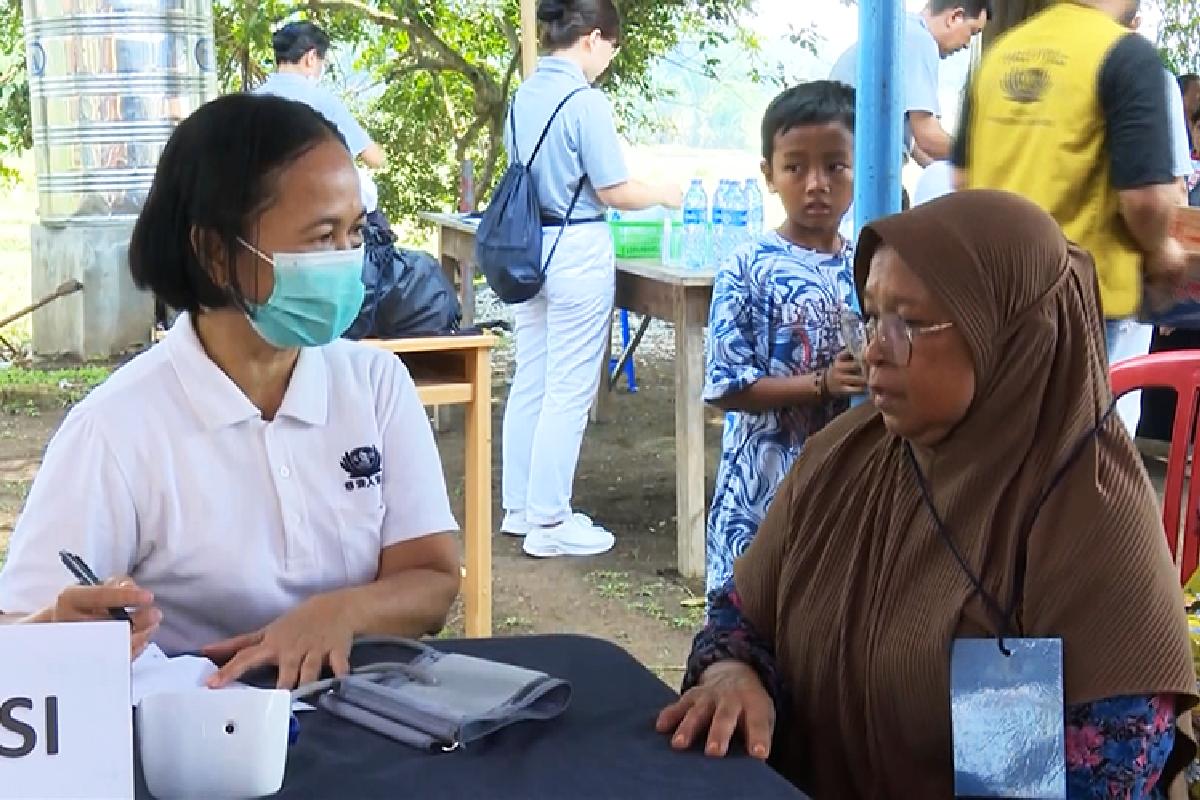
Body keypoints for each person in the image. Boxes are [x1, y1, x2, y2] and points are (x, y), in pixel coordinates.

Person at [656, 190, 1197, 797]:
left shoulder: (1084, 522)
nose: (874, 350)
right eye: (867, 317)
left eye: (909, 323)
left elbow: (1094, 773)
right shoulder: (843, 457)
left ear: (1010, 335)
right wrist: (733, 671)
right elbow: (742, 613)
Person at [0, 94, 461, 691]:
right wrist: (67, 628)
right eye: (321, 238)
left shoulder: (375, 386)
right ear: (217, 252)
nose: (347, 262)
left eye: (354, 234)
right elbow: (21, 633)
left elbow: (431, 577)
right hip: (193, 735)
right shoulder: (114, 431)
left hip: (358, 716)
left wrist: (336, 613)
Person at [499, 0, 682, 558]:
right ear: (595, 38)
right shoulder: (585, 101)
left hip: (528, 245)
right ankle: (550, 521)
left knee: (531, 376)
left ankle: (519, 507)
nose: (608, 59)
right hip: (576, 245)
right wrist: (666, 194)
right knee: (570, 387)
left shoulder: (523, 96)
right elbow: (613, 190)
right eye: (611, 48)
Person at [954, 0, 1186, 366]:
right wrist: (1159, 250)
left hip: (993, 303)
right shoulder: (1126, 55)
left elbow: (961, 181)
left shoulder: (999, 54)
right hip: (1077, 309)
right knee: (1071, 424)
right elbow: (1147, 201)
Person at [703, 81, 863, 599]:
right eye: (796, 167)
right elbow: (727, 387)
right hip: (763, 489)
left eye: (835, 166)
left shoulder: (870, 265)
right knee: (750, 621)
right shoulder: (748, 268)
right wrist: (822, 383)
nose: (816, 183)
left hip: (844, 484)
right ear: (769, 175)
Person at [255, 20, 390, 231]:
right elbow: (375, 159)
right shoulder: (320, 101)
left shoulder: (250, 103)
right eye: (322, 63)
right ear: (310, 58)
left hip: (268, 212)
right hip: (325, 214)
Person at [829, 0, 990, 168]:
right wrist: (982, 162)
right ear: (955, 17)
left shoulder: (903, 32)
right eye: (972, 32)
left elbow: (913, 142)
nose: (967, 45)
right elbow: (927, 136)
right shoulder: (919, 41)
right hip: (853, 162)